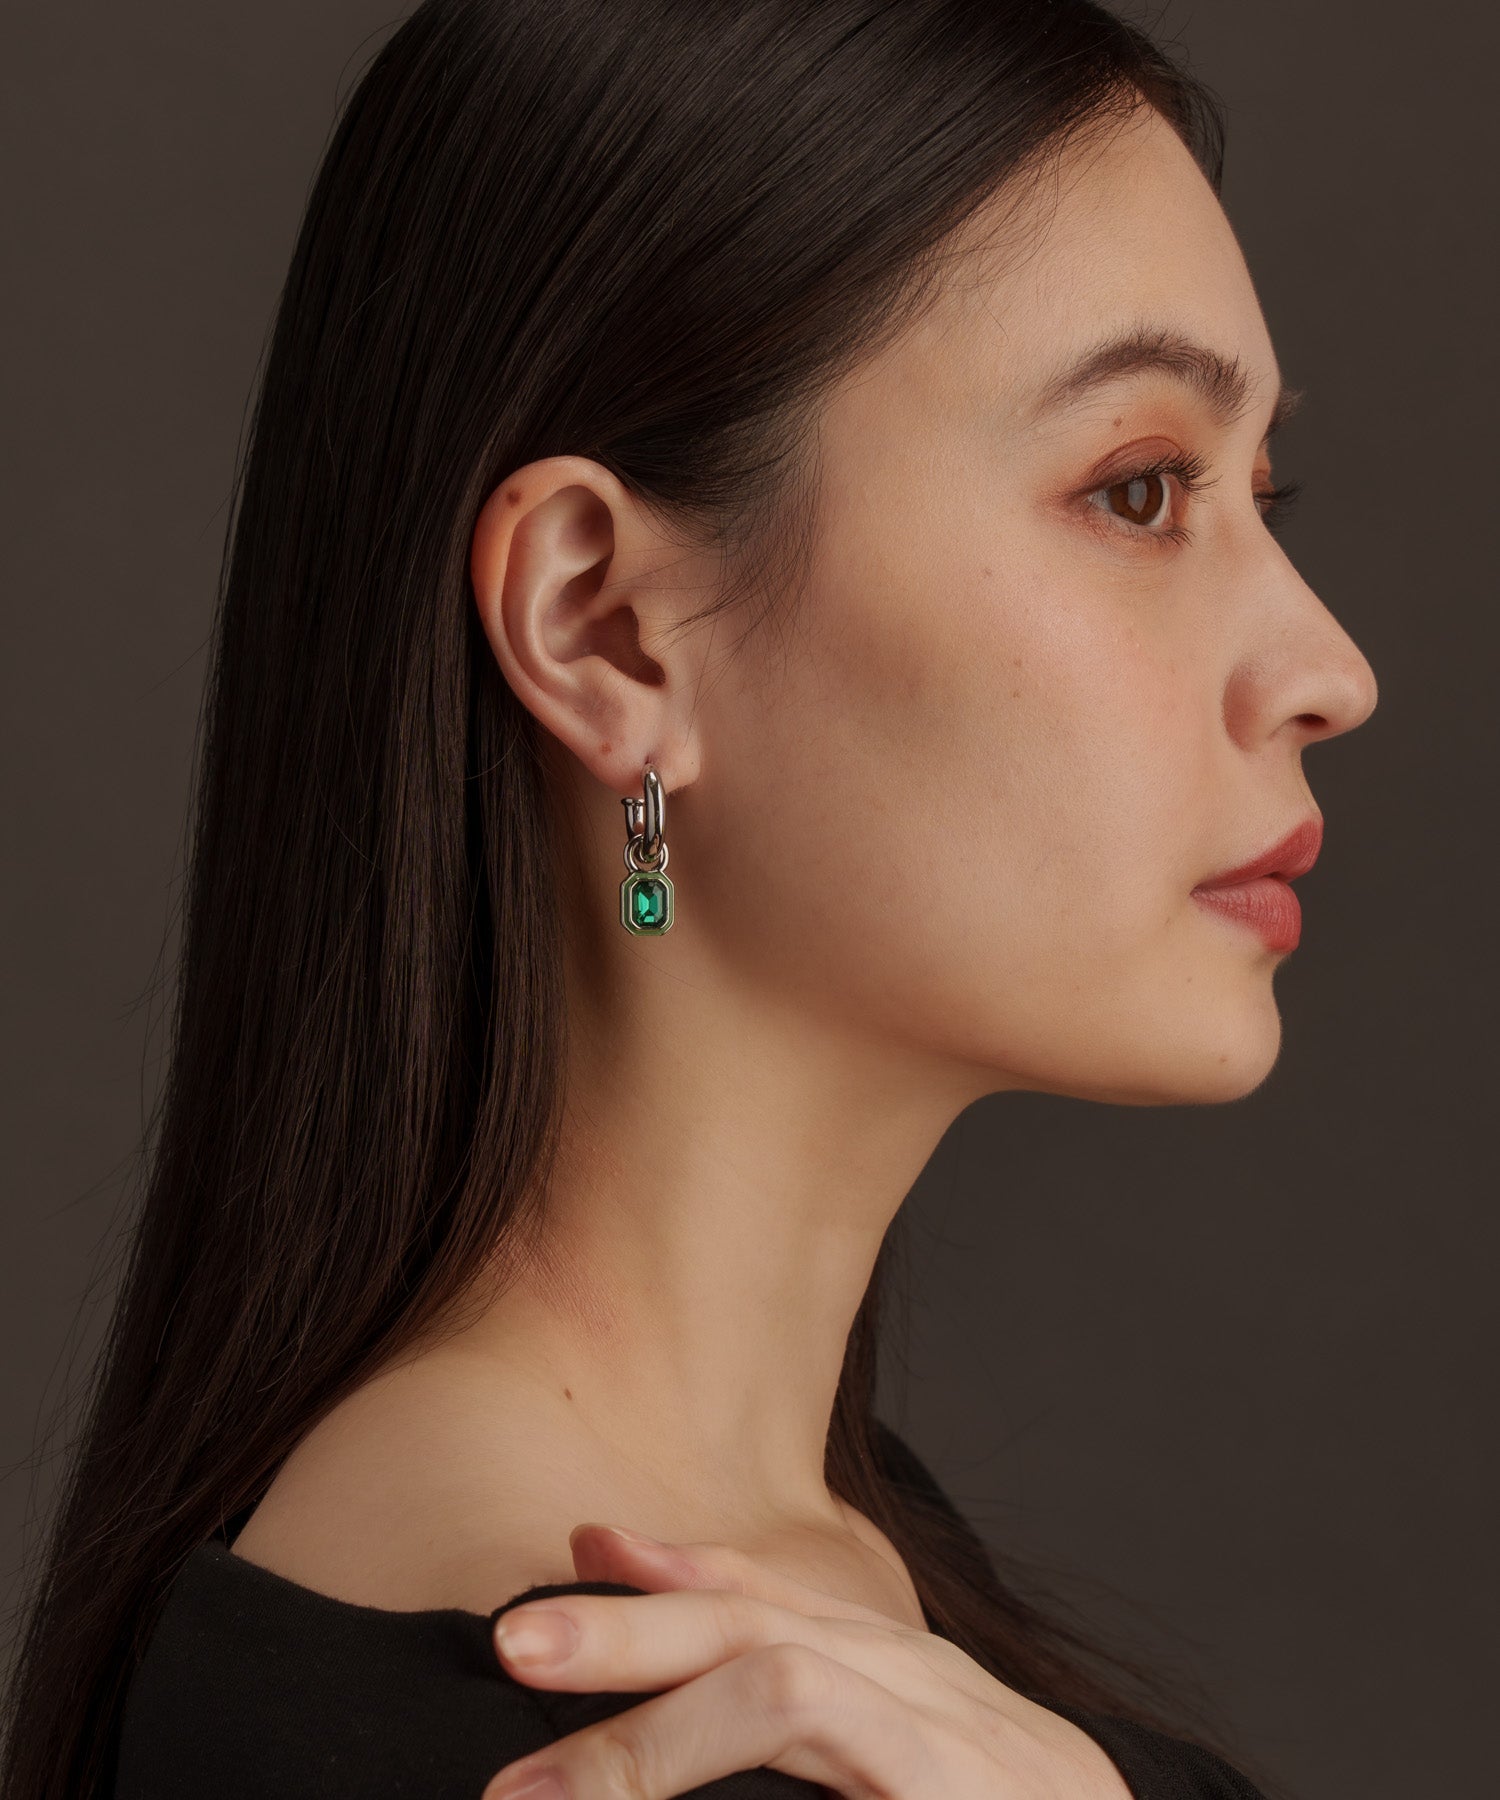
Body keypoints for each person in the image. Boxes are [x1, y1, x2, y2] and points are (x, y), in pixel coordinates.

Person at [1, 1, 1378, 1796]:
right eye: (1138, 489)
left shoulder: (838, 1606)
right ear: (606, 630)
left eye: (1262, 493)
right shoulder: (547, 1722)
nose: (1329, 669)